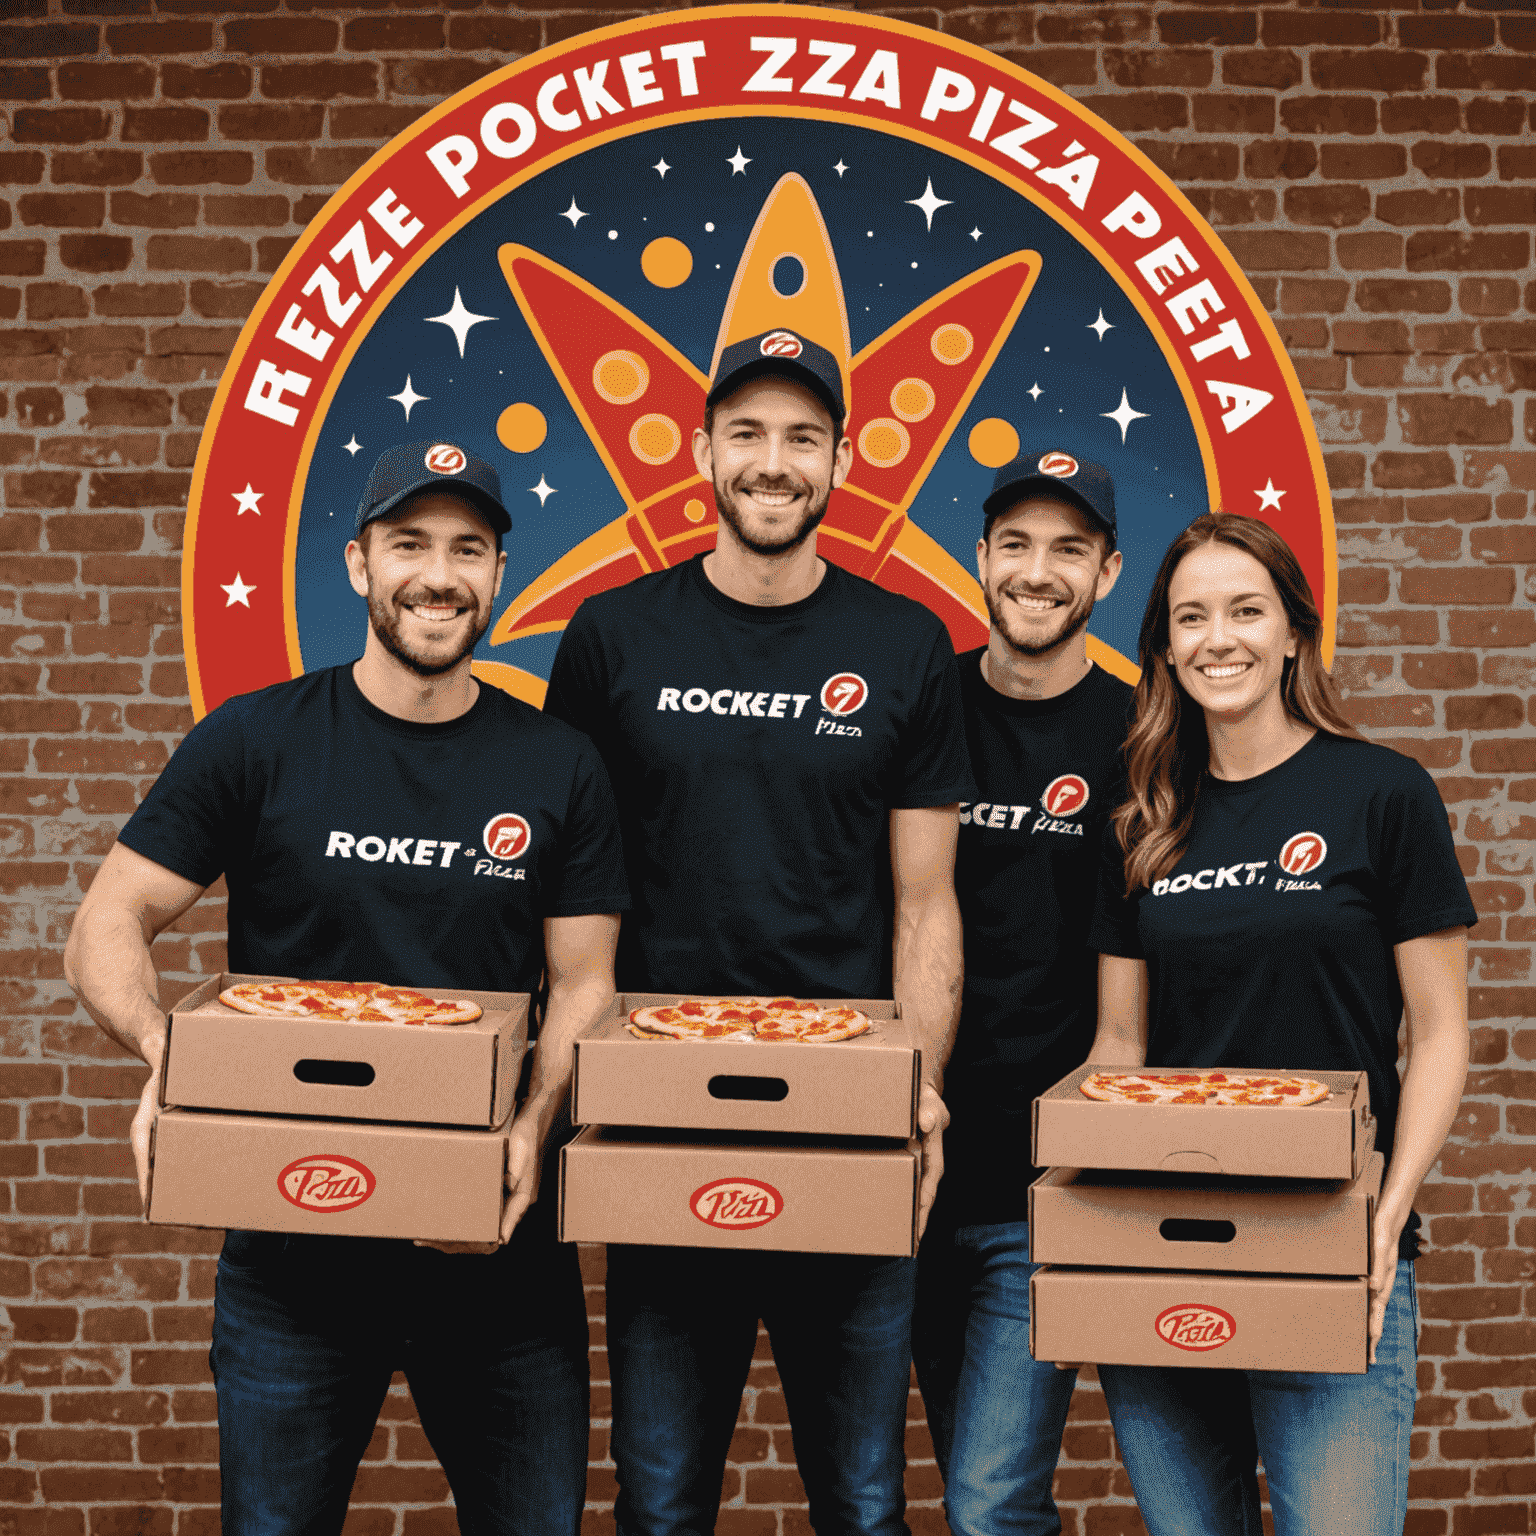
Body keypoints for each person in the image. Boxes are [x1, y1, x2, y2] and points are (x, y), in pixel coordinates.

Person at [63, 440, 631, 1536]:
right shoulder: (256, 740)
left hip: (493, 1261)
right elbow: (105, 925)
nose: (440, 574)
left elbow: (586, 984)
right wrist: (169, 1052)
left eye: (469, 549)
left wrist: (534, 1129)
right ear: (360, 564)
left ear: (501, 577)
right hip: (293, 1258)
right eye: (409, 543)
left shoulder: (560, 766)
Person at [543, 327, 974, 1536]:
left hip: (847, 1123)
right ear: (701, 452)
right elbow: (572, 896)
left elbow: (925, 902)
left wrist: (919, 1086)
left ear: (843, 459)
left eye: (800, 436)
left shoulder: (903, 647)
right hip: (663, 1119)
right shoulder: (612, 637)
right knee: (664, 1499)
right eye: (746, 433)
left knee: (865, 1502)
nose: (771, 461)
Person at [1086, 511, 1474, 1536]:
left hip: (1329, 1243)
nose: (1221, 638)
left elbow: (1439, 1036)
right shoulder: (1142, 816)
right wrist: (1071, 1183)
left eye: (1247, 610)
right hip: (1162, 1242)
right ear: (1165, 646)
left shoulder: (1383, 793)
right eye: (1192, 616)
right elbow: (1120, 1048)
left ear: (1295, 631)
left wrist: (1387, 1215)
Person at [910, 449, 1130, 1536]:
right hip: (902, 1165)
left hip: (1040, 1181)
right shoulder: (923, 706)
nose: (1037, 572)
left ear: (1108, 574)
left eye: (1069, 550)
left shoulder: (1142, 735)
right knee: (965, 1484)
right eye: (1016, 545)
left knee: (992, 1502)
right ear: (982, 557)